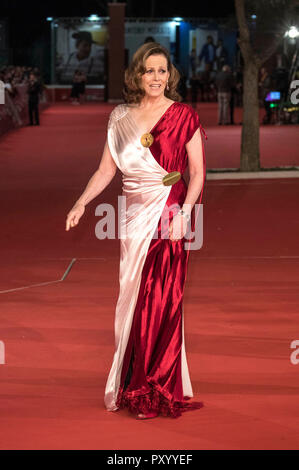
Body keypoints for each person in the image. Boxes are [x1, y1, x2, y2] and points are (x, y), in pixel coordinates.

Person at [65, 42, 207, 420]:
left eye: (162, 71)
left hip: (169, 216)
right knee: (132, 300)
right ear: (137, 75)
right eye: (149, 71)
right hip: (131, 221)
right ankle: (133, 381)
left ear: (170, 75)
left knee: (160, 301)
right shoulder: (119, 118)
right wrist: (82, 202)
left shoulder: (183, 115)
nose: (156, 78)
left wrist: (185, 215)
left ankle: (154, 387)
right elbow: (105, 171)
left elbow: (197, 173)